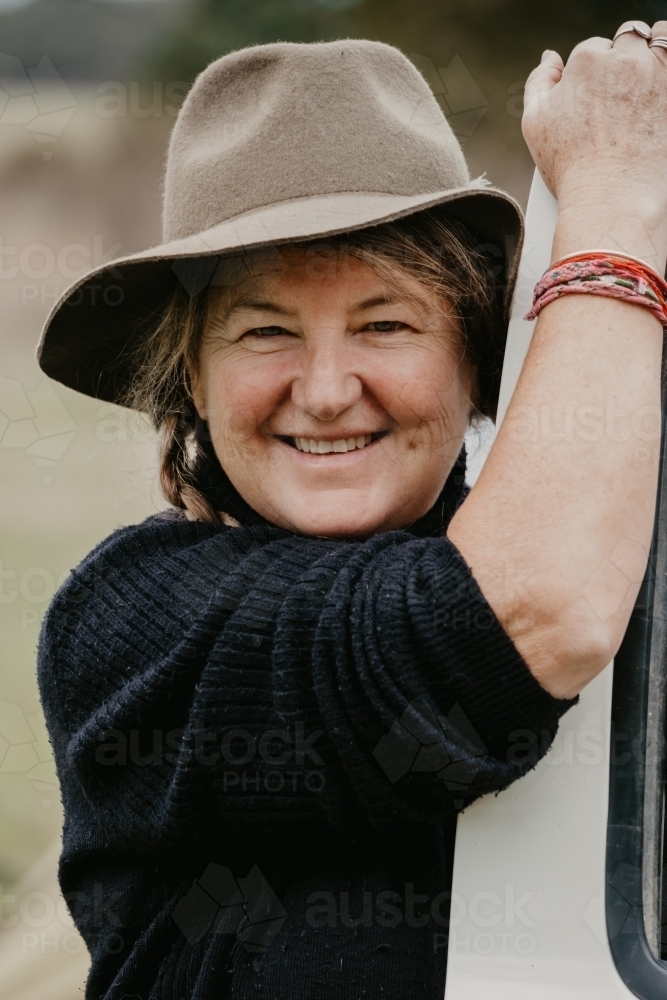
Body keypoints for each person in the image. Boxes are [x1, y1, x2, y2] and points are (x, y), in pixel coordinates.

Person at [36, 27, 667, 999]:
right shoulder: (129, 622)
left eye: (385, 322)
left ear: (474, 364)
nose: (326, 390)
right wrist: (614, 201)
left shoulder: (616, 559)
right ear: (191, 382)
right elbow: (514, 617)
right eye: (264, 331)